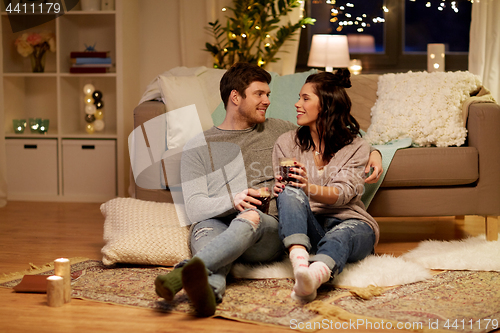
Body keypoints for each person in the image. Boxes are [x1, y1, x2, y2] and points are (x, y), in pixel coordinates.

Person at [154, 63, 382, 316]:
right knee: (210, 238)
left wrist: (374, 152)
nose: (267, 101)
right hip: (214, 222)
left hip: (263, 225)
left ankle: (181, 272)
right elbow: (195, 207)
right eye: (259, 94)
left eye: (268, 95)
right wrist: (233, 199)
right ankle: (209, 294)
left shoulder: (278, 129)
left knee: (248, 217)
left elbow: (337, 131)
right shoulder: (198, 146)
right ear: (235, 97)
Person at [272, 69, 379, 302]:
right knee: (289, 192)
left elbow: (344, 194)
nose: (297, 104)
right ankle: (301, 267)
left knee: (340, 235)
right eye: (299, 97)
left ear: (327, 105)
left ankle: (314, 277)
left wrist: (308, 187)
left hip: (351, 223)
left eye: (305, 98)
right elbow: (284, 192)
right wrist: (279, 190)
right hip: (311, 226)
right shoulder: (286, 143)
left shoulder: (357, 147)